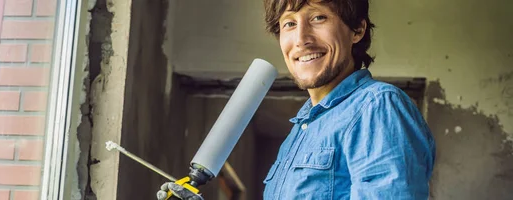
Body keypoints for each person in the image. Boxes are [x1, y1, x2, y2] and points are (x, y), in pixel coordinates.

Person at [157, 0, 435, 199]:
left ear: (357, 30)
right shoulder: (303, 130)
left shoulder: (377, 107)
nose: (301, 39)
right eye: (289, 23)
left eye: (318, 18)